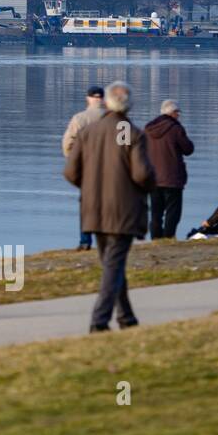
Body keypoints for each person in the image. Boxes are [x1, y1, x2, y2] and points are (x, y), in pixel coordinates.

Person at [64, 81, 155, 332]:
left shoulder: (89, 131)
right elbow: (140, 173)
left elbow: (71, 171)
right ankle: (99, 320)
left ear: (105, 102)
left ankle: (126, 317)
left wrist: (90, 186)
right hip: (122, 208)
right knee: (113, 264)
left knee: (111, 263)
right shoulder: (127, 130)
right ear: (130, 104)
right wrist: (150, 182)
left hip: (92, 207)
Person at [62, 86, 106, 250]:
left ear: (88, 99)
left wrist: (74, 159)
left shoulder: (79, 119)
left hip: (88, 168)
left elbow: (67, 144)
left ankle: (85, 240)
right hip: (112, 171)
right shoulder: (119, 120)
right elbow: (127, 145)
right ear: (104, 99)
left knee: (87, 205)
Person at [144, 100, 195, 239]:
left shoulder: (148, 129)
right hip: (172, 178)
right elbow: (188, 149)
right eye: (177, 113)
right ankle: (168, 237)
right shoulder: (176, 129)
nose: (178, 115)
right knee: (173, 212)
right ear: (172, 113)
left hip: (153, 178)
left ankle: (155, 239)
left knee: (156, 213)